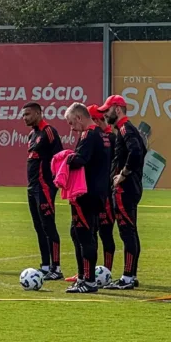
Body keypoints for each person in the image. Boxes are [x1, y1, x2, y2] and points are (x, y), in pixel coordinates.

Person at [100, 95, 146, 290]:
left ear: (117, 109)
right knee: (130, 232)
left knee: (127, 232)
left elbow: (136, 152)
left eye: (107, 110)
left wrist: (123, 174)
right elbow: (140, 150)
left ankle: (127, 278)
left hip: (124, 190)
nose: (105, 114)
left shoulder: (126, 129)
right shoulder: (127, 129)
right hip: (129, 188)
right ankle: (131, 275)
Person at [63, 102, 110, 294]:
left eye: (71, 122)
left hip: (86, 194)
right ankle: (83, 277)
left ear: (80, 118)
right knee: (77, 232)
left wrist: (65, 158)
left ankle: (89, 281)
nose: (71, 128)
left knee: (84, 235)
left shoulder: (89, 135)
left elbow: (80, 160)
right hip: (98, 192)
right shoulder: (102, 135)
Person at [21, 102, 64, 281]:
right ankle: (45, 265)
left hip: (44, 187)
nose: (25, 118)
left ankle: (56, 267)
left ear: (39, 113)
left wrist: (55, 181)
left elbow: (60, 156)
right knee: (38, 227)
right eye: (23, 115)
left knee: (48, 226)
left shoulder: (49, 132)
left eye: (28, 114)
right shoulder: (32, 134)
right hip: (32, 187)